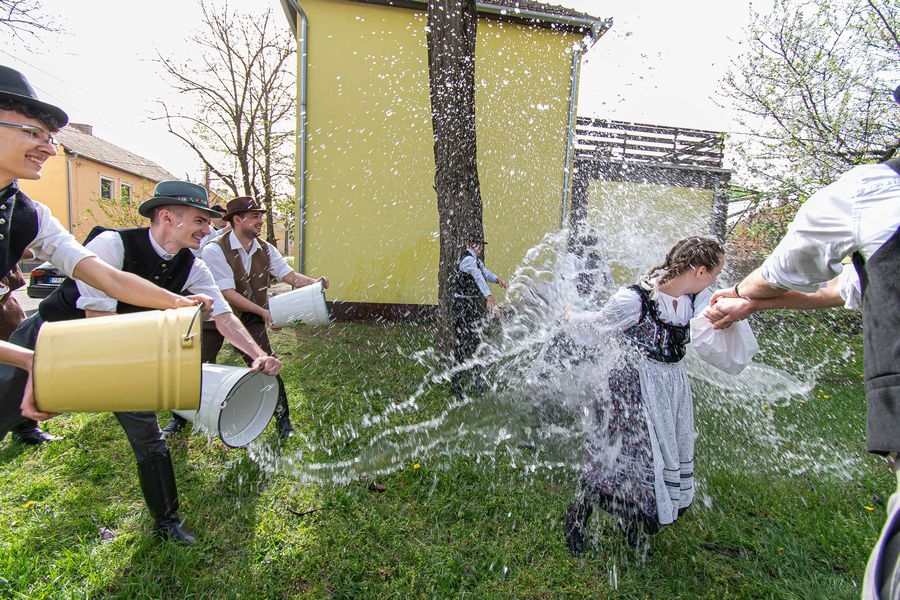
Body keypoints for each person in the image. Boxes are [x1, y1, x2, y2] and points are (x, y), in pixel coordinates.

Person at [2, 180, 282, 544]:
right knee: (8, 401)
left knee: (149, 436)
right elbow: (98, 322)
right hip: (46, 337)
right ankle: (23, 428)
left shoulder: (194, 266)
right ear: (166, 216)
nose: (208, 229)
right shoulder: (111, 245)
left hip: (120, 349)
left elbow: (224, 316)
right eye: (200, 220)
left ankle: (168, 521)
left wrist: (258, 355)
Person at [705, 87, 900, 598]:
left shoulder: (875, 191)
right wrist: (753, 306)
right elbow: (840, 290)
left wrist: (743, 294)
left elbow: (784, 270)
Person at [0, 65, 208, 438]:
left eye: (50, 138)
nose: (49, 148)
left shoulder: (32, 214)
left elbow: (107, 278)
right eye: (33, 133)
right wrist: (30, 360)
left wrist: (177, 304)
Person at [563, 236, 727, 555]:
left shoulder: (696, 300)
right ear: (700, 272)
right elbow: (597, 326)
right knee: (616, 458)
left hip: (669, 390)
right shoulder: (635, 300)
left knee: (654, 460)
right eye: (715, 272)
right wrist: (571, 318)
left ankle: (634, 522)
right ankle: (577, 517)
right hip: (630, 391)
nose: (716, 279)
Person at [163, 196, 328, 439]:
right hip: (213, 317)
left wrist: (314, 283)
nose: (260, 221)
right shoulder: (214, 250)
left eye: (260, 216)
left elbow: (289, 275)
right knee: (197, 367)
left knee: (268, 365)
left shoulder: (266, 248)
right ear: (237, 219)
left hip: (249, 318)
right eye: (255, 216)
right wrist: (263, 312)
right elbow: (227, 294)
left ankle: (283, 420)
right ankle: (180, 418)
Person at [450, 236, 507, 396]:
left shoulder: (476, 260)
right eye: (477, 245)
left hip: (471, 306)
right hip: (462, 307)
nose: (480, 248)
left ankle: (477, 381)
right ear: (469, 245)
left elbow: (485, 273)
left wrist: (497, 280)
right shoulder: (468, 260)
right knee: (461, 344)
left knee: (476, 342)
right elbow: (478, 278)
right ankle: (456, 383)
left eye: (481, 245)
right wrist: (490, 300)